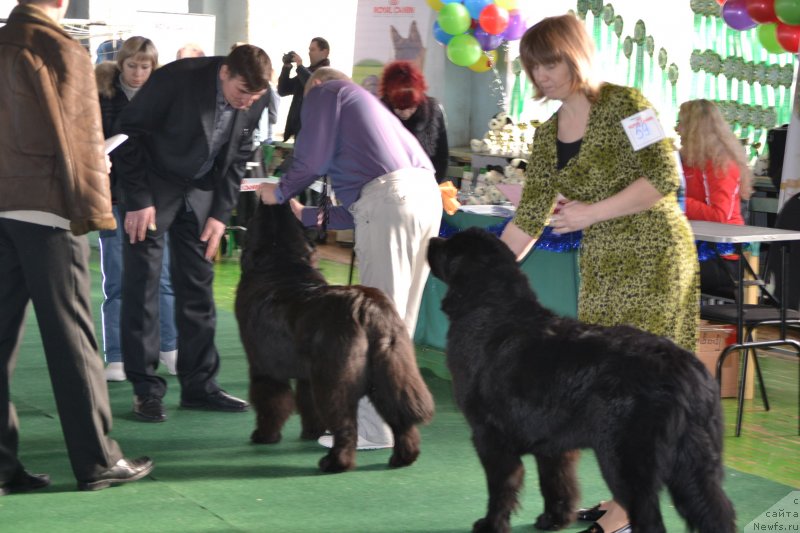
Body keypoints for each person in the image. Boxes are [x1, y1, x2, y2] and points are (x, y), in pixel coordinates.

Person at [499, 15, 698, 533]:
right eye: (533, 66)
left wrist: (590, 213)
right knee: (611, 388)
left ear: (575, 56)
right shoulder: (547, 134)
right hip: (604, 264)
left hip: (655, 256)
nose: (541, 75)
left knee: (638, 386)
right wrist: (485, 275)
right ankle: (623, 497)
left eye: (551, 62)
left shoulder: (627, 103)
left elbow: (664, 176)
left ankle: (632, 509)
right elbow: (529, 216)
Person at [0, 0, 154, 493]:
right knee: (74, 341)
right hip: (47, 209)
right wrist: (95, 205)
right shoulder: (60, 48)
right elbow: (82, 138)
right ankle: (98, 459)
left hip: (3, 207)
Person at [258, 67, 441, 450]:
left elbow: (311, 161)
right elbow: (366, 206)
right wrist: (308, 215)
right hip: (426, 198)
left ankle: (374, 430)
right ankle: (393, 422)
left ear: (316, 84)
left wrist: (279, 190)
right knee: (399, 323)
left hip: (393, 201)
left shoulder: (327, 92)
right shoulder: (370, 110)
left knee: (377, 323)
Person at [113, 44, 272, 422]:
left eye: (253, 97)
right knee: (143, 287)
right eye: (240, 93)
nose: (245, 102)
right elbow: (126, 134)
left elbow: (238, 157)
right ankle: (146, 390)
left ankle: (200, 386)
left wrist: (220, 213)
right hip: (153, 190)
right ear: (224, 73)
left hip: (202, 196)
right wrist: (139, 198)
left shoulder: (257, 96)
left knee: (198, 289)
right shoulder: (177, 78)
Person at [96, 36, 179, 382]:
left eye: (145, 67)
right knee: (116, 279)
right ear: (121, 64)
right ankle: (116, 355)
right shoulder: (102, 97)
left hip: (155, 202)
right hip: (114, 199)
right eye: (132, 65)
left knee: (162, 278)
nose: (138, 73)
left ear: (154, 67)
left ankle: (169, 347)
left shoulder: (165, 97)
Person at [677, 98, 753, 299]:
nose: (677, 129)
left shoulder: (722, 164)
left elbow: (719, 216)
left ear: (695, 128)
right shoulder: (687, 161)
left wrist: (677, 202)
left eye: (681, 123)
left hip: (721, 256)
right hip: (694, 246)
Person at [379, 60, 449, 183]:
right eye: (398, 108)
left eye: (411, 107)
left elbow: (441, 157)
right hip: (387, 184)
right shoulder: (378, 111)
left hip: (425, 183)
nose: (405, 113)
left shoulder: (433, 110)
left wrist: (434, 186)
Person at [277, 37, 330, 141]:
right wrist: (286, 67)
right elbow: (283, 90)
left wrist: (300, 66)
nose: (309, 53)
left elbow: (313, 85)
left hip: (314, 132)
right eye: (309, 50)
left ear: (325, 52)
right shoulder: (305, 72)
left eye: (313, 50)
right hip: (300, 131)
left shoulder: (327, 73)